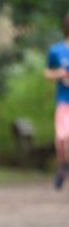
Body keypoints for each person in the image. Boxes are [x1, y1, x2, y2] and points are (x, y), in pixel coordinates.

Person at [44, 13, 69, 190]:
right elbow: (47, 73)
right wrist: (59, 74)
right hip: (64, 101)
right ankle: (63, 167)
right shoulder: (56, 51)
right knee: (61, 138)